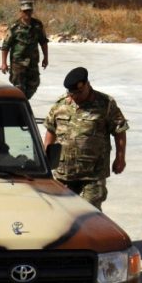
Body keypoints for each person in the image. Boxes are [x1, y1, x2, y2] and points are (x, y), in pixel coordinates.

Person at [43, 67, 128, 210]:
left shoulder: (105, 104)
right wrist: (45, 158)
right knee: (63, 213)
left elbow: (119, 130)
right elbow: (51, 130)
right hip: (64, 174)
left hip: (93, 174)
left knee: (89, 214)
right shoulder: (60, 105)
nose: (76, 96)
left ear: (87, 84)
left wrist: (120, 158)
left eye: (79, 92)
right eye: (72, 93)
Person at [1, 0, 49, 99]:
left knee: (34, 84)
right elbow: (6, 46)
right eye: (25, 11)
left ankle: (23, 102)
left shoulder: (37, 25)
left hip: (33, 62)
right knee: (19, 88)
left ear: (32, 11)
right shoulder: (14, 27)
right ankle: (21, 105)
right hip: (18, 63)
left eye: (29, 11)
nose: (27, 13)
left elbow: (43, 42)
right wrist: (4, 63)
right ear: (21, 12)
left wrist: (46, 58)